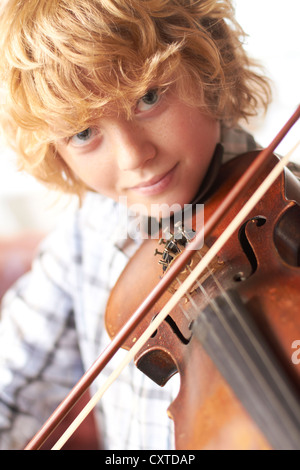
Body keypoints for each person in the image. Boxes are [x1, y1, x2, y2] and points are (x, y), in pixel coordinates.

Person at [0, 0, 273, 450]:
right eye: (83, 133)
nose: (133, 158)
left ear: (209, 65)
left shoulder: (287, 219)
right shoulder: (88, 234)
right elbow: (10, 384)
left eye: (148, 97)